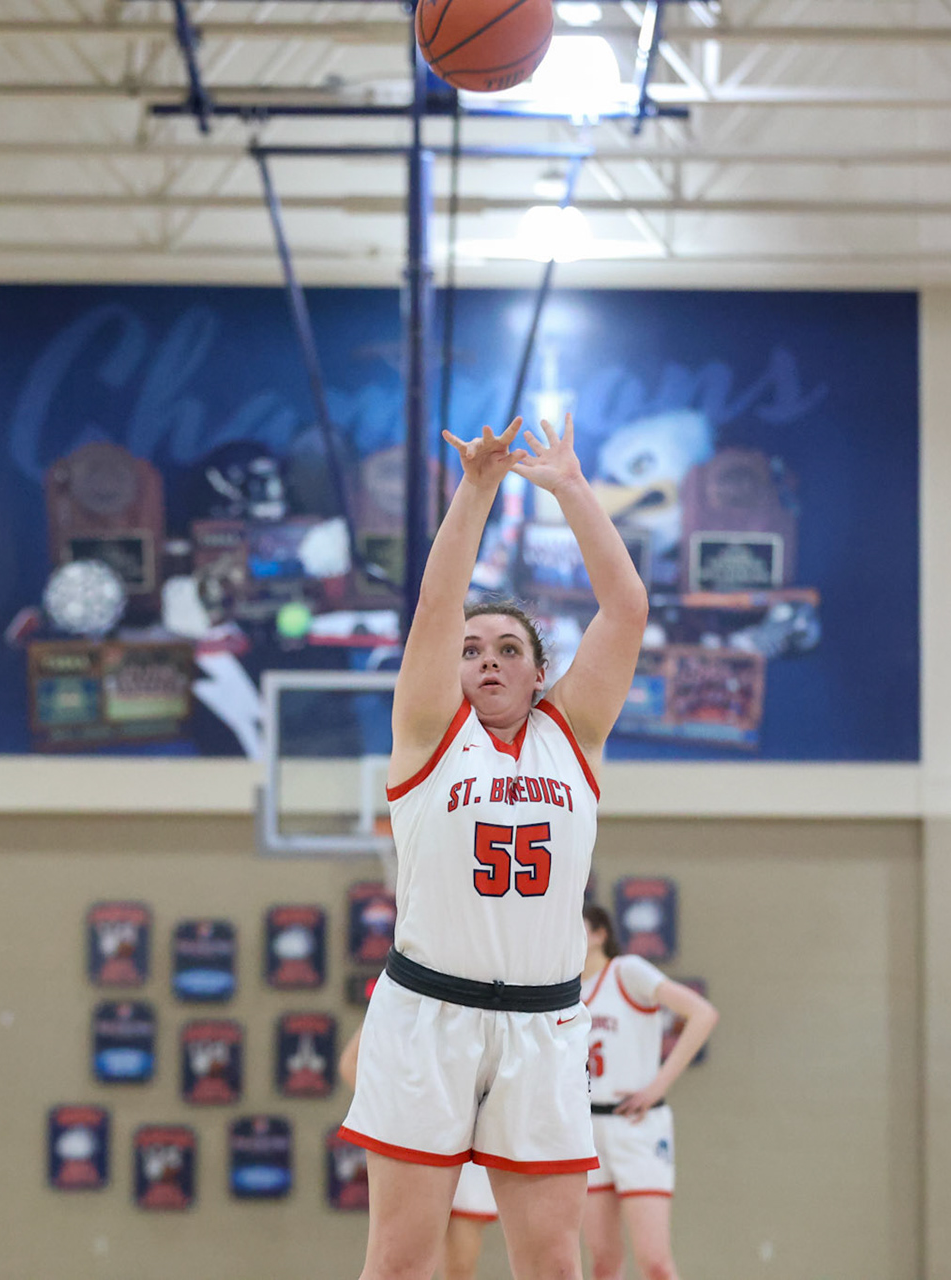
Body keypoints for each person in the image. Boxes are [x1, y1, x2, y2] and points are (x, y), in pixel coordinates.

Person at [340, 414, 648, 1280]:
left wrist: (572, 489)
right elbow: (440, 605)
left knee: (553, 1265)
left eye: (508, 648)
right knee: (400, 1263)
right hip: (427, 1015)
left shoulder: (574, 734)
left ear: (538, 671)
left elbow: (626, 609)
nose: (485, 660)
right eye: (470, 649)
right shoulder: (430, 732)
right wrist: (475, 489)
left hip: (544, 1023)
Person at [578, 905, 719, 1280]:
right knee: (603, 1264)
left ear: (599, 934)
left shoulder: (627, 972)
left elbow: (703, 1013)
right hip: (587, 1129)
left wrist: (658, 1085)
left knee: (654, 1262)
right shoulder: (565, 990)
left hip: (637, 1125)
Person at [341, 1025, 499, 1280]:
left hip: (469, 1143)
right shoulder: (403, 995)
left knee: (461, 1263)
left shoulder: (492, 1005)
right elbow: (351, 1063)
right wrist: (401, 1111)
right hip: (419, 1138)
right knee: (397, 1261)